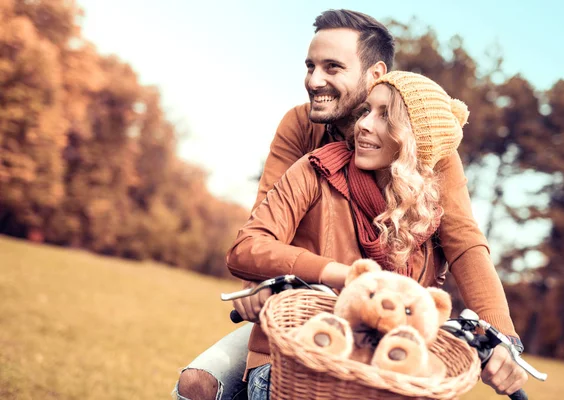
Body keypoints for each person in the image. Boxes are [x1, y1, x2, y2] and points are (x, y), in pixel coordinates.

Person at [173, 9, 524, 400]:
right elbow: (264, 223)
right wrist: (256, 282)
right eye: (310, 66)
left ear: (374, 75)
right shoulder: (303, 135)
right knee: (198, 383)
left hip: (390, 321)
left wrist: (502, 335)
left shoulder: (427, 144)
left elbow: (464, 241)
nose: (313, 80)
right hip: (305, 311)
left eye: (332, 67)